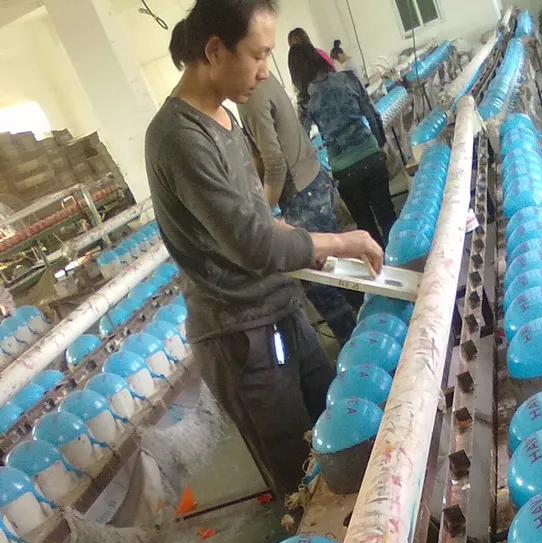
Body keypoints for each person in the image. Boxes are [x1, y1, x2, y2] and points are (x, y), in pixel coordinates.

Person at [145, 0, 383, 498]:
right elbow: (253, 243)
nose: (265, 70)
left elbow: (258, 217)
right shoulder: (178, 138)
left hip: (279, 308)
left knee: (338, 431)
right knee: (302, 478)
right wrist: (340, 239)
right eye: (257, 55)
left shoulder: (225, 117)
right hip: (241, 333)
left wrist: (307, 246)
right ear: (215, 50)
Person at [238, 73, 359, 346]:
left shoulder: (251, 95)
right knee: (339, 269)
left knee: (320, 281)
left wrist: (262, 214)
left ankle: (356, 345)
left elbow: (275, 163)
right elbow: (261, 154)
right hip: (313, 180)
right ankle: (371, 325)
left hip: (301, 193)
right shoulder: (265, 81)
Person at [289, 43, 397, 249]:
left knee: (365, 228)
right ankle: (399, 261)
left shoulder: (306, 99)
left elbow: (302, 139)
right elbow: (372, 115)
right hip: (370, 154)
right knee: (387, 214)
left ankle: (379, 264)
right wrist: (380, 144)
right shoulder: (348, 78)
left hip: (343, 168)